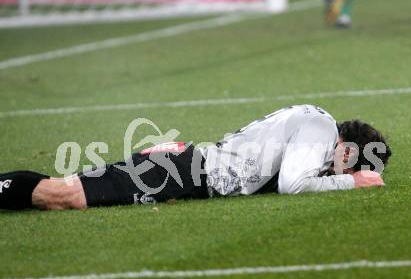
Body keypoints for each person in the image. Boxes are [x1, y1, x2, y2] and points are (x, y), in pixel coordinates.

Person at [0, 105, 391, 211]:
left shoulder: (314, 123)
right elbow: (294, 185)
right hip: (183, 171)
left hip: (185, 169)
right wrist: (352, 182)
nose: (333, 173)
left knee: (63, 194)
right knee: (63, 195)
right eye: (351, 166)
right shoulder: (321, 128)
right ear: (347, 150)